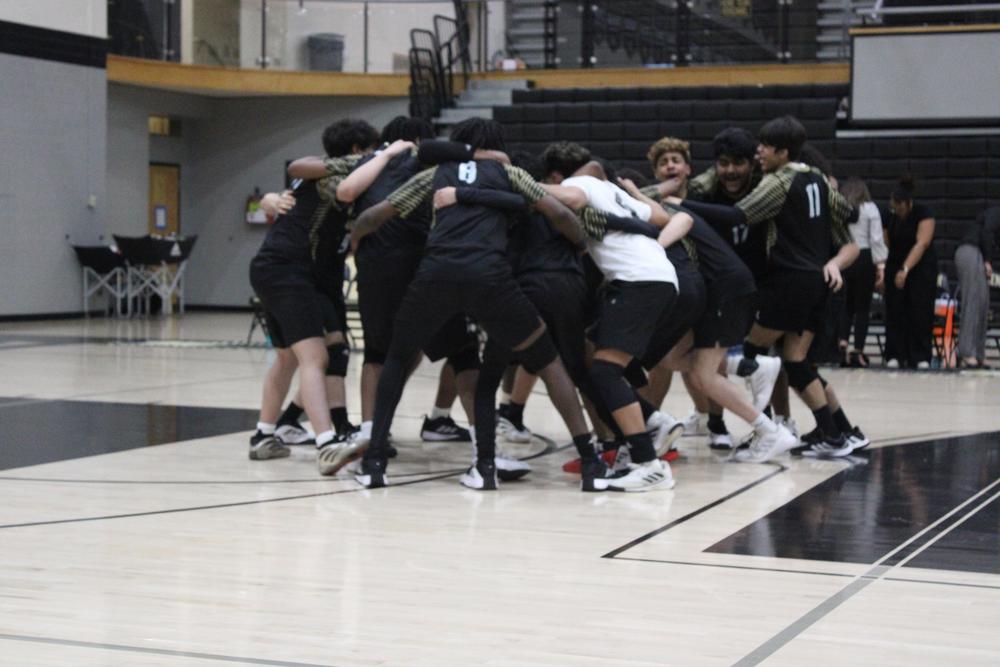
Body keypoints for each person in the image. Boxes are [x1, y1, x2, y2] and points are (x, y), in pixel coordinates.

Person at [349, 118, 611, 492]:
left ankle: (375, 464)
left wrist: (356, 240)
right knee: (548, 361)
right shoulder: (510, 174)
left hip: (435, 276)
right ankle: (590, 462)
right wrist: (582, 245)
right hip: (491, 279)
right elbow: (561, 216)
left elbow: (374, 216)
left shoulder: (437, 173)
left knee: (396, 358)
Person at [672, 116, 862, 459]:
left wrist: (679, 204)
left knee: (748, 347)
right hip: (817, 280)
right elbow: (848, 214)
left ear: (780, 151)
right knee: (797, 361)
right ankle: (836, 431)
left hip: (789, 278)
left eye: (763, 148)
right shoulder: (816, 177)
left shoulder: (777, 182)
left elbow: (738, 216)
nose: (759, 153)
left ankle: (772, 421)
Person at [246, 120, 410, 470]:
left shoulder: (319, 174)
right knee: (314, 358)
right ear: (356, 150)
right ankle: (326, 443)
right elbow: (344, 190)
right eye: (369, 149)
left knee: (291, 358)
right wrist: (387, 155)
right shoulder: (336, 175)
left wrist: (270, 200)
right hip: (288, 269)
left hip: (279, 268)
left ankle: (264, 434)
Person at [883, 175, 937, 370]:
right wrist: (889, 269)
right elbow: (886, 242)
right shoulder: (889, 216)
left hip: (920, 266)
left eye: (898, 206)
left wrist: (905, 269)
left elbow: (922, 243)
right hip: (895, 262)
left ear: (907, 203)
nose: (895, 209)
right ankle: (894, 354)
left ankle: (920, 355)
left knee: (920, 310)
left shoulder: (924, 212)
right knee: (895, 310)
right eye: (893, 206)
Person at [837, 178, 887, 368]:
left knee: (846, 305)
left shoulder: (842, 208)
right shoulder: (870, 208)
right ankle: (857, 351)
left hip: (845, 256)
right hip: (864, 258)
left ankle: (842, 343)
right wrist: (881, 266)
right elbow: (876, 239)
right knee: (863, 308)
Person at [955, 206, 1000, 368]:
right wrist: (988, 261)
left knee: (983, 304)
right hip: (970, 251)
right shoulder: (996, 213)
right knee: (973, 302)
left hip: (977, 255)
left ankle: (978, 353)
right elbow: (987, 232)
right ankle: (966, 352)